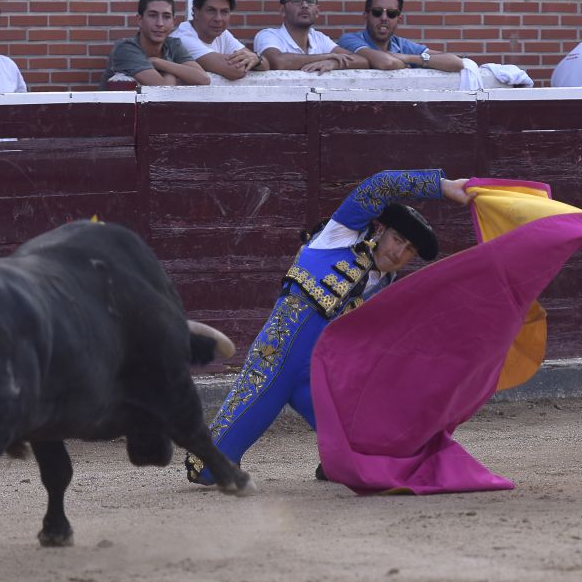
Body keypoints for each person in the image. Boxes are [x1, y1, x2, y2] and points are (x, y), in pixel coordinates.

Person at [185, 169, 473, 486]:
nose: (398, 252)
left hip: (323, 376)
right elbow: (380, 184)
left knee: (367, 446)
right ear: (381, 229)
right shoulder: (341, 235)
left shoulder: (390, 289)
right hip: (278, 359)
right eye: (397, 240)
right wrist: (442, 186)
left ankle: (340, 464)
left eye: (409, 251)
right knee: (209, 469)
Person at [253, 0, 368, 74]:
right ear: (283, 10)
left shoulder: (319, 39)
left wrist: (334, 63)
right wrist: (325, 56)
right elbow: (277, 62)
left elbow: (363, 61)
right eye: (296, 0)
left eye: (310, 0)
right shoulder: (268, 35)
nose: (305, 5)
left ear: (317, 11)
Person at [338, 0, 465, 73]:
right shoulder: (349, 40)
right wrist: (405, 64)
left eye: (391, 13)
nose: (384, 18)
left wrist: (411, 59)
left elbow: (456, 63)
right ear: (366, 15)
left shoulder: (402, 45)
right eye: (377, 12)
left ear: (398, 19)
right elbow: (386, 63)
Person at [101, 0, 210, 88]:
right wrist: (175, 72)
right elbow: (163, 89)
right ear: (140, 19)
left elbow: (203, 79)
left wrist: (157, 62)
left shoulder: (173, 45)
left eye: (166, 17)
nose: (160, 23)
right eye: (153, 15)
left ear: (173, 21)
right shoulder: (125, 49)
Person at [172, 0, 269, 80]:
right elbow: (236, 70)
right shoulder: (182, 39)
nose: (218, 19)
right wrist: (251, 60)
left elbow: (266, 64)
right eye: (211, 11)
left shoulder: (223, 34)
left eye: (224, 12)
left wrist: (256, 59)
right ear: (195, 11)